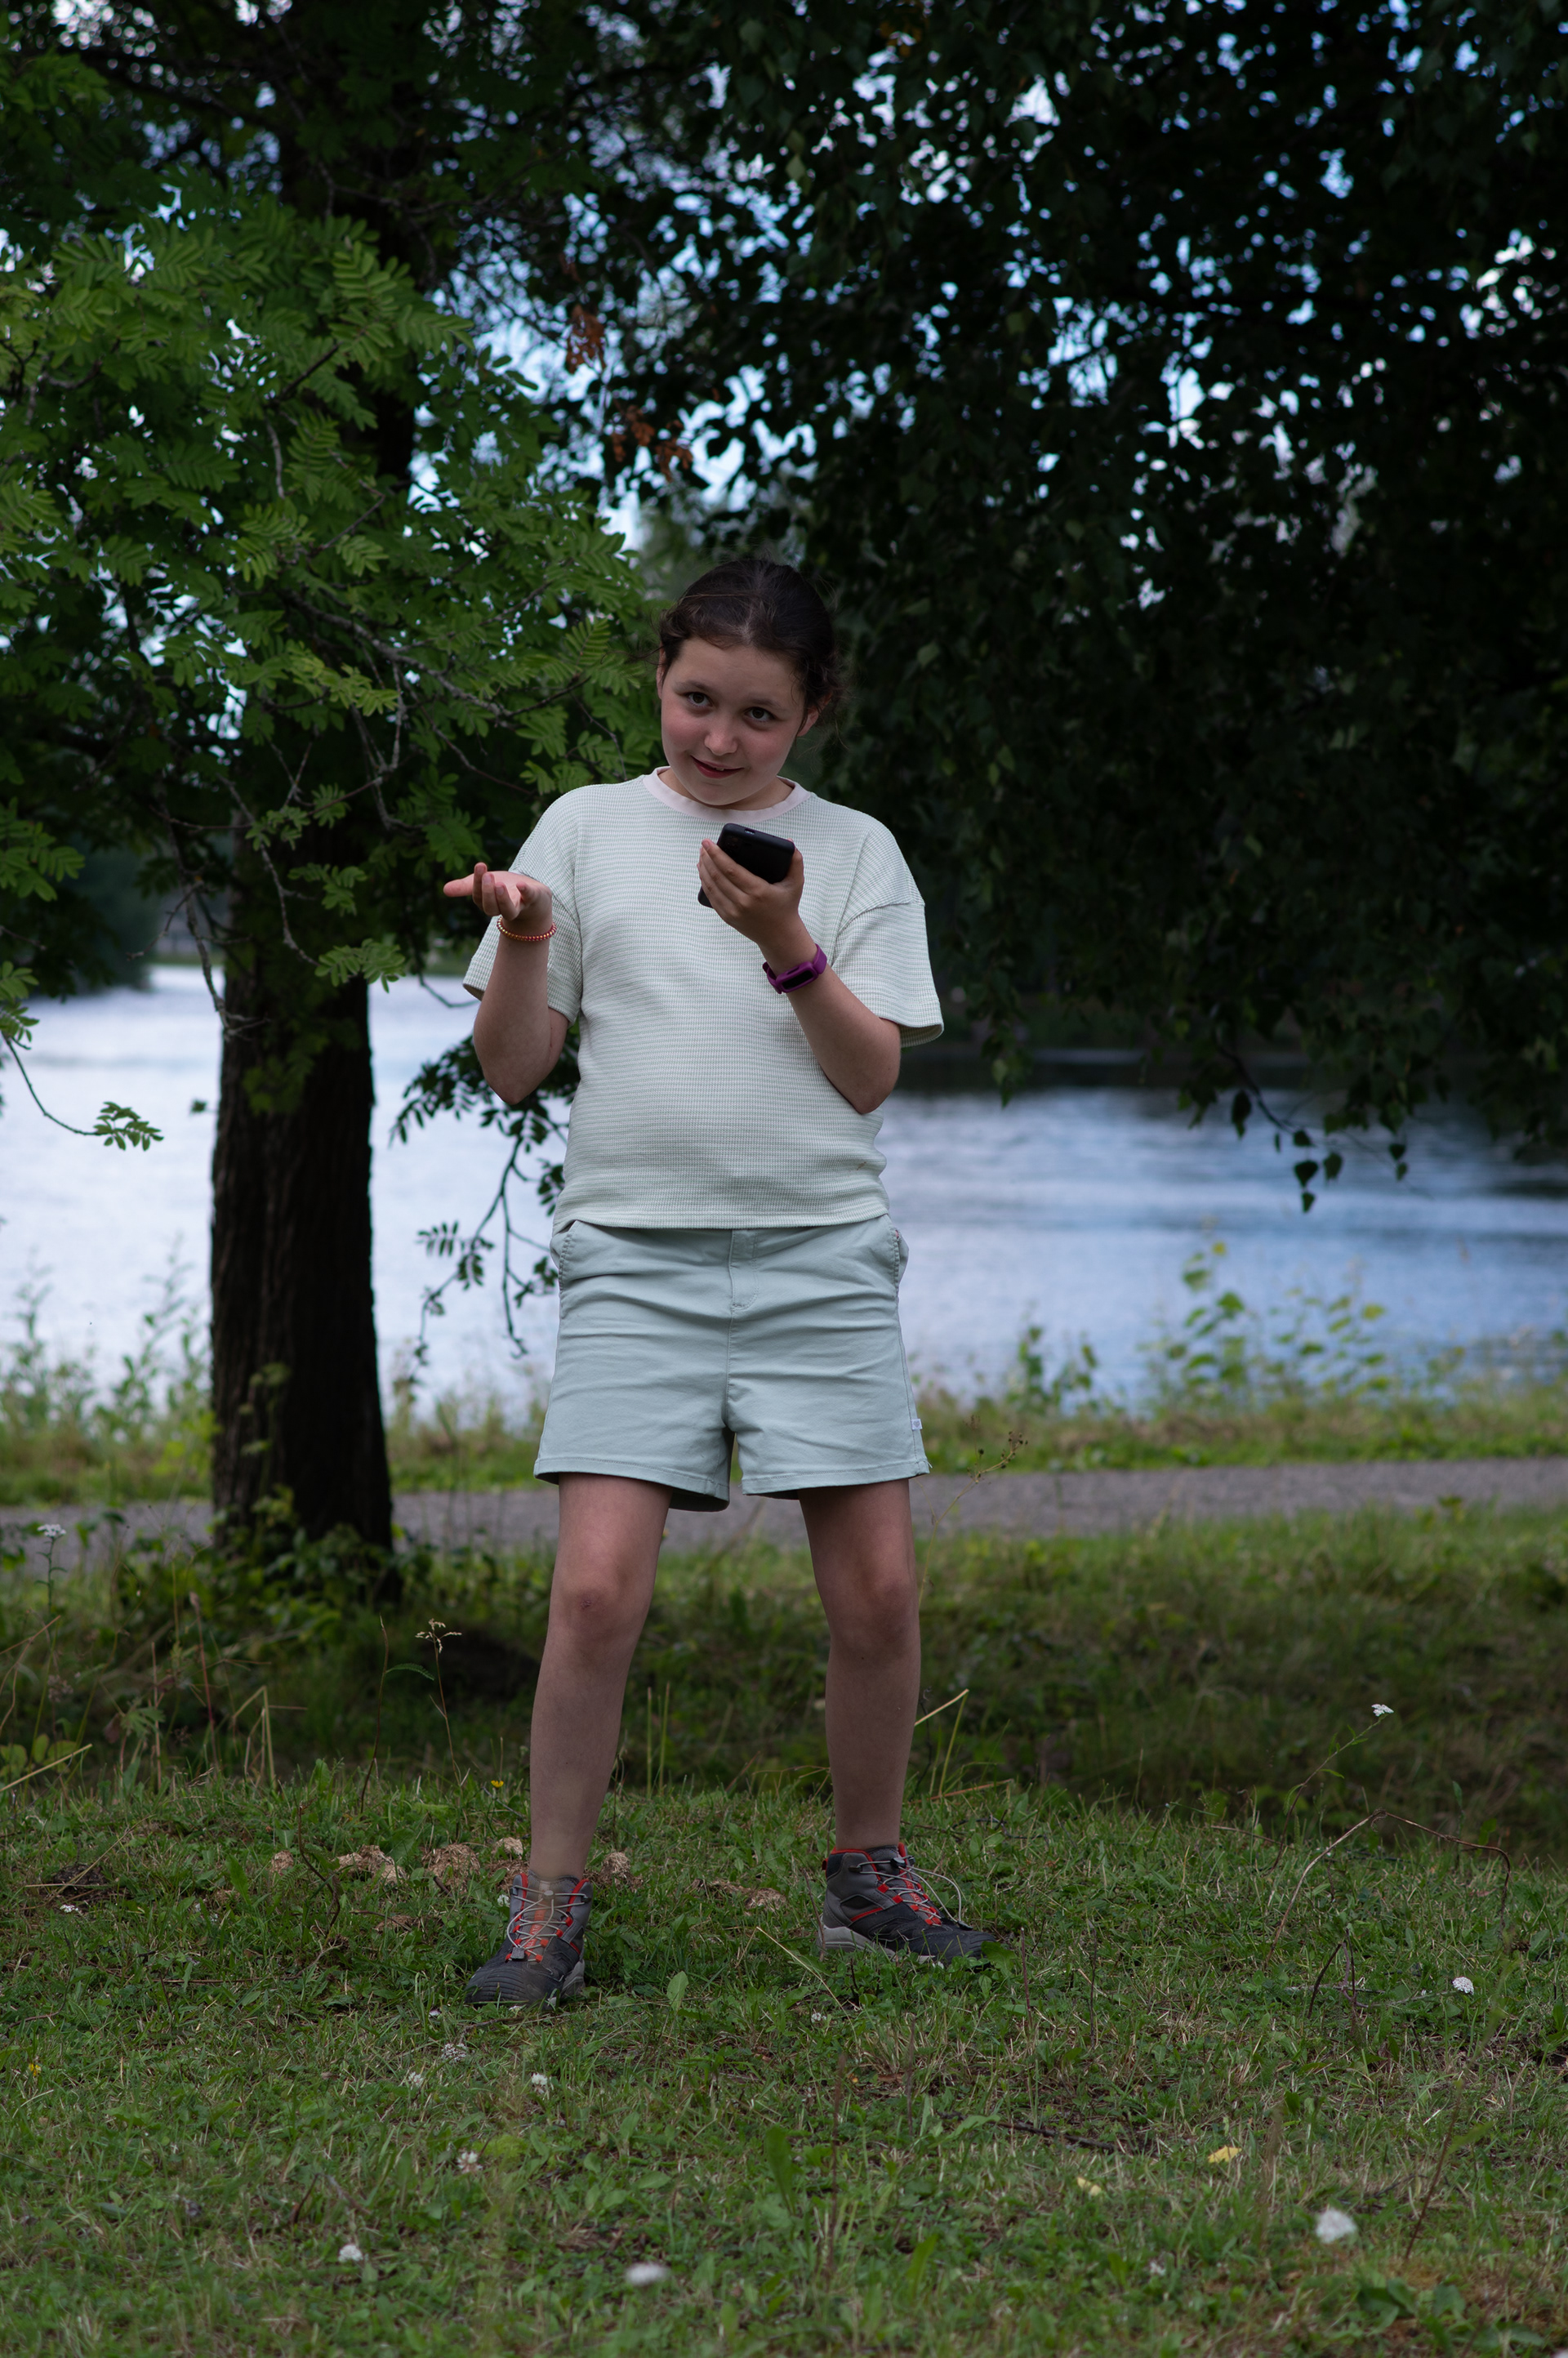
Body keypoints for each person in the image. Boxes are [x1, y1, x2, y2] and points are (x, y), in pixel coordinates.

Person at [443, 556, 996, 2007]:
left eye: (759, 714)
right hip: (636, 1259)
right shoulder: (582, 829)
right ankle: (547, 1908)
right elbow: (513, 1067)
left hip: (821, 1259)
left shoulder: (855, 855)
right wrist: (527, 938)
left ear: (812, 713)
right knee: (594, 1594)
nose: (718, 738)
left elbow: (868, 1078)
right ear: (660, 679)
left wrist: (783, 940)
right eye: (697, 700)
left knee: (878, 1594)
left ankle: (867, 1878)